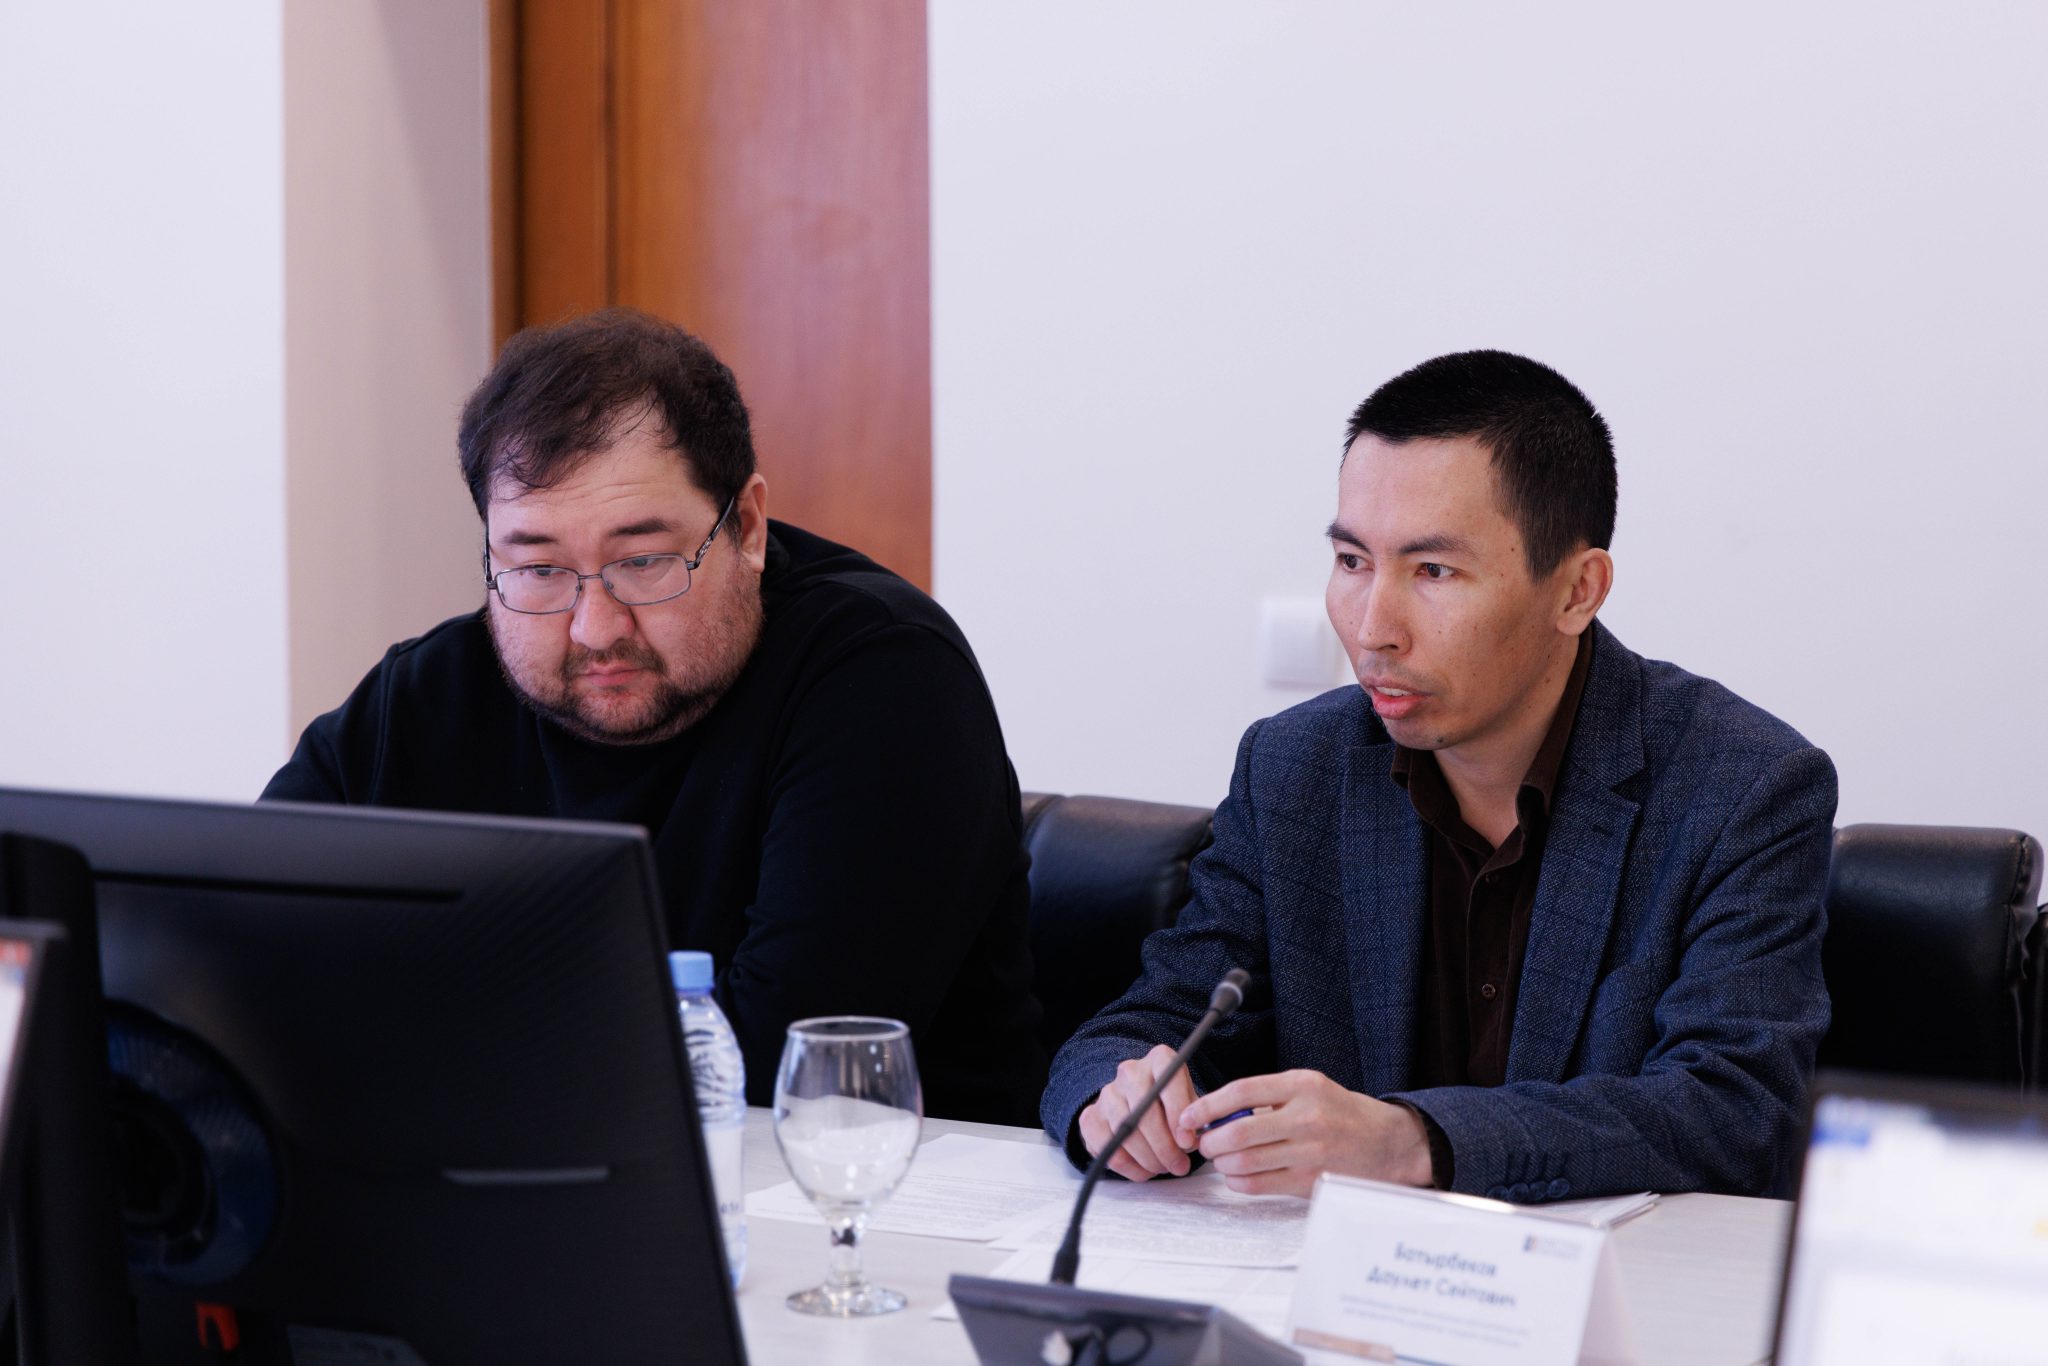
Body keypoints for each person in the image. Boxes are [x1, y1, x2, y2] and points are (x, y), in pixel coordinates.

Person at [1043, 350, 1835, 1201]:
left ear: (1578, 590)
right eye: (1352, 561)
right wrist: (1117, 1093)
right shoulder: (1294, 769)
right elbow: (1158, 1020)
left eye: (1433, 572)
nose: (1372, 628)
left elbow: (1735, 1111)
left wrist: (1415, 1143)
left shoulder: (1744, 786)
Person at [266, 308, 1045, 1125]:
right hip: (493, 1175)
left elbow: (768, 1066)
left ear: (747, 527)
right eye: (538, 568)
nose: (594, 628)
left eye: (642, 561)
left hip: (876, 1189)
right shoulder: (427, 695)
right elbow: (241, 957)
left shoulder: (883, 672)